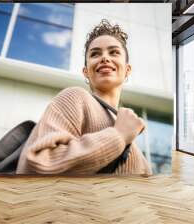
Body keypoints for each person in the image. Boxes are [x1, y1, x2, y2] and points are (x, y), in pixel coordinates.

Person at [16, 19, 152, 176]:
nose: (105, 58)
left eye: (114, 52)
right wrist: (118, 136)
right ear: (86, 71)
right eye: (95, 54)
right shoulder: (75, 97)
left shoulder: (140, 157)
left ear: (128, 70)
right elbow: (36, 166)